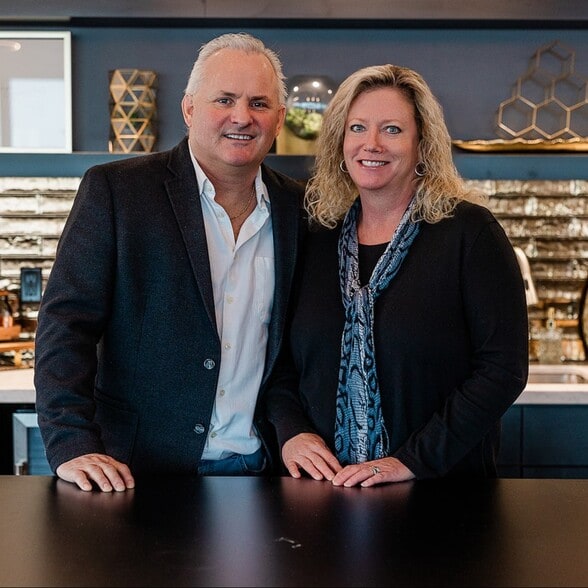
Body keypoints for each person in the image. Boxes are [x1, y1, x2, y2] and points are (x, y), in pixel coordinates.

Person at [34, 32, 305, 492]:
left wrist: (295, 429)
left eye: (259, 103)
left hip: (261, 471)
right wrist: (71, 442)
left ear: (278, 119)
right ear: (189, 109)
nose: (242, 117)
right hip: (135, 474)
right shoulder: (117, 191)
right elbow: (66, 325)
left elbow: (293, 351)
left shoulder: (299, 209)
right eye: (225, 99)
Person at [265, 64, 529, 487]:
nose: (371, 143)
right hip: (324, 493)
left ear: (422, 145)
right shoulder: (315, 238)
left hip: (439, 494)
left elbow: (503, 370)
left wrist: (410, 462)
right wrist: (292, 431)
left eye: (392, 129)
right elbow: (280, 364)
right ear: (339, 142)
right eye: (357, 128)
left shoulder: (470, 234)